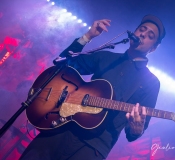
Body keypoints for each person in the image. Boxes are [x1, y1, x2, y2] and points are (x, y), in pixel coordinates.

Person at [20, 14, 166, 160]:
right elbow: (63, 62)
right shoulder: (106, 58)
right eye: (142, 29)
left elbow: (134, 132)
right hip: (61, 126)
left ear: (153, 48)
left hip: (93, 148)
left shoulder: (151, 82)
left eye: (150, 35)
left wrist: (136, 130)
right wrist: (88, 36)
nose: (143, 34)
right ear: (134, 32)